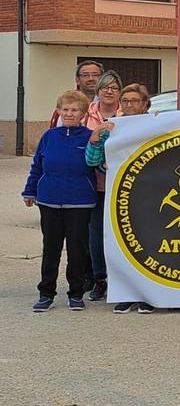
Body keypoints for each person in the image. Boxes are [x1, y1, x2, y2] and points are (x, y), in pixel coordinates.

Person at [86, 84, 156, 314]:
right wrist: (96, 141)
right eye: (125, 101)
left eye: (135, 101)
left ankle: (147, 295)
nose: (129, 105)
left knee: (147, 244)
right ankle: (125, 293)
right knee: (120, 243)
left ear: (145, 104)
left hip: (148, 195)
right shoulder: (112, 128)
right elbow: (92, 160)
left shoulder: (157, 125)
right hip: (118, 195)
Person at [24, 91, 97, 312]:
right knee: (51, 249)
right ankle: (46, 292)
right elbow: (37, 165)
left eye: (74, 110)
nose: (69, 113)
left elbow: (98, 163)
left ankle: (76, 293)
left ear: (84, 114)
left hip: (80, 201)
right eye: (65, 109)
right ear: (59, 111)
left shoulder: (90, 136)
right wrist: (30, 190)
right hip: (49, 200)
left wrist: (97, 142)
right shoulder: (49, 136)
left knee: (77, 250)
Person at [81, 70, 123, 301]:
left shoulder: (129, 114)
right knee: (95, 234)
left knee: (119, 233)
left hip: (122, 187)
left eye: (114, 88)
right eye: (105, 87)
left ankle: (121, 280)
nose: (109, 91)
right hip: (93, 185)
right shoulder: (84, 115)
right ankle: (98, 278)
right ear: (97, 92)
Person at [49, 60, 104, 127]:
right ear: (77, 80)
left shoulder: (109, 104)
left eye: (95, 75)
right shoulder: (66, 105)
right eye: (85, 75)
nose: (91, 78)